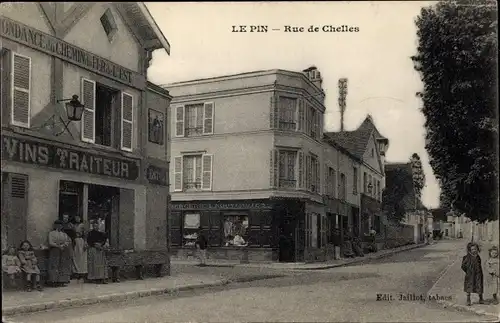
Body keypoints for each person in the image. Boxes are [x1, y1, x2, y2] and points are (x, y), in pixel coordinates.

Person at [47, 220, 72, 287]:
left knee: (62, 265)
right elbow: (50, 242)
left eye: (60, 225)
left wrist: (63, 245)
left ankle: (61, 281)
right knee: (54, 265)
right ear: (55, 226)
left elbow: (67, 241)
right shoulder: (51, 233)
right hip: (54, 250)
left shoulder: (64, 234)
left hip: (63, 251)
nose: (59, 226)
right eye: (57, 225)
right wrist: (58, 246)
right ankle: (53, 281)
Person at [72, 216, 88, 282]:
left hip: (82, 241)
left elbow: (85, 235)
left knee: (82, 258)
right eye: (76, 218)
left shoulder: (82, 225)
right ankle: (76, 272)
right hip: (76, 241)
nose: (77, 219)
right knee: (76, 257)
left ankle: (82, 273)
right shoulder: (73, 225)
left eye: (78, 218)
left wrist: (85, 243)